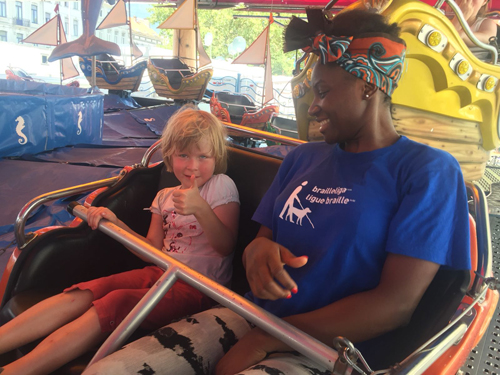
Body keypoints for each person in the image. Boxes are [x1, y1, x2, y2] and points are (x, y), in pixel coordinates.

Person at [84, 9, 471, 375]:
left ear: (368, 86)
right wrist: (257, 252)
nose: (314, 107)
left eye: (322, 91)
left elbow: (395, 305)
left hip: (334, 351)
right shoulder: (303, 159)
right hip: (250, 314)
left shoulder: (428, 171)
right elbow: (261, 240)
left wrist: (265, 339)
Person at [0, 107, 240, 375]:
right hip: (159, 272)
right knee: (89, 290)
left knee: (116, 301)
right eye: (184, 155)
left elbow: (225, 246)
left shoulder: (221, 186)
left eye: (202, 156)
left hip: (200, 288)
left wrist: (201, 208)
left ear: (216, 158)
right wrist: (116, 223)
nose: (193, 166)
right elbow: (150, 251)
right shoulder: (163, 196)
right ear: (171, 157)